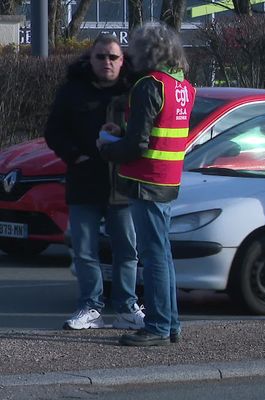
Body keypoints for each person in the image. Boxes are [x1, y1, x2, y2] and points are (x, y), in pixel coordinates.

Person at [98, 23, 196, 346]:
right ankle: (171, 323)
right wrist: (124, 131)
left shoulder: (148, 86)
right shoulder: (183, 87)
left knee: (153, 257)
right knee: (163, 254)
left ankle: (156, 325)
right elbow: (158, 131)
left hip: (145, 180)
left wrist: (108, 146)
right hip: (169, 180)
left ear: (150, 52)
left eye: (137, 48)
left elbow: (137, 145)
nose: (132, 54)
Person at [44, 34, 144, 330]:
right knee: (85, 250)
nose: (107, 62)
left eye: (113, 57)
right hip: (84, 181)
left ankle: (127, 307)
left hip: (121, 183)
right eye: (101, 56)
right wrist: (74, 156)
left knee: (127, 249)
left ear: (123, 60)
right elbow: (54, 131)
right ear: (90, 59)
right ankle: (90, 307)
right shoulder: (73, 91)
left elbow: (145, 131)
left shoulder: (133, 91)